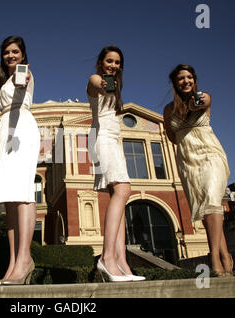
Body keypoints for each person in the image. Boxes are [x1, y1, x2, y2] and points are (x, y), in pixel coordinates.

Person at [163, 64, 233, 277]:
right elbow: (170, 134)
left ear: (194, 80)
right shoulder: (168, 109)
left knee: (212, 199)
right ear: (175, 83)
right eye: (181, 78)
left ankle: (213, 256)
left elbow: (199, 104)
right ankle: (225, 255)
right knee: (204, 208)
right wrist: (184, 139)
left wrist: (193, 105)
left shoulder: (203, 97)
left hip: (210, 153)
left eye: (190, 77)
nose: (186, 81)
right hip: (187, 159)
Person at [0, 35, 40, 285]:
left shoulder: (23, 72)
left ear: (23, 55)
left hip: (21, 129)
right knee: (9, 198)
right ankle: (13, 263)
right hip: (6, 130)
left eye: (15, 51)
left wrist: (20, 80)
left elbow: (22, 80)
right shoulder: (2, 80)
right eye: (7, 52)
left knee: (22, 192)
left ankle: (25, 259)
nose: (11, 55)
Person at [87, 46, 145, 282]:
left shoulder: (116, 87)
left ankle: (121, 262)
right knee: (123, 189)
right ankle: (107, 257)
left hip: (113, 139)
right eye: (109, 61)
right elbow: (95, 84)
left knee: (118, 196)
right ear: (101, 62)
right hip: (102, 138)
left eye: (117, 62)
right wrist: (103, 83)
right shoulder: (95, 79)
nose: (113, 65)